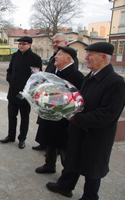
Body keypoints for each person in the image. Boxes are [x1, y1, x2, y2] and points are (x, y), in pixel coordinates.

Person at [46, 42, 125, 199]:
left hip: (97, 135)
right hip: (79, 129)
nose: (86, 58)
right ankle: (65, 186)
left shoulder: (116, 82)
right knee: (73, 159)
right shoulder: (90, 76)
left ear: (103, 57)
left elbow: (107, 114)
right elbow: (80, 100)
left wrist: (77, 118)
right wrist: (65, 104)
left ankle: (90, 196)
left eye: (90, 55)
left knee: (93, 169)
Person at [35, 46, 84, 174]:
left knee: (64, 148)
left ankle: (67, 174)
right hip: (50, 115)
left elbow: (77, 100)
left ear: (68, 59)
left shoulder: (77, 76)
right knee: (49, 142)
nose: (55, 56)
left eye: (59, 55)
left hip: (64, 120)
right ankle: (49, 165)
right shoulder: (54, 72)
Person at [33, 33, 79, 151]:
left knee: (58, 139)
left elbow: (69, 89)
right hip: (50, 104)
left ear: (65, 43)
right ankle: (48, 156)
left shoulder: (72, 61)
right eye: (53, 42)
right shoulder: (54, 58)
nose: (55, 44)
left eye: (57, 42)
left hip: (59, 108)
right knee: (47, 134)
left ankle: (55, 156)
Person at [0, 36, 42, 149]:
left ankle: (22, 139)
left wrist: (28, 90)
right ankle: (11, 135)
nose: (21, 46)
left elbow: (37, 77)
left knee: (24, 118)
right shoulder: (15, 56)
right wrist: (10, 79)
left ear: (30, 45)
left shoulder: (35, 58)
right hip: (13, 92)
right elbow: (10, 70)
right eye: (19, 44)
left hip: (25, 95)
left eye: (24, 44)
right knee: (12, 116)